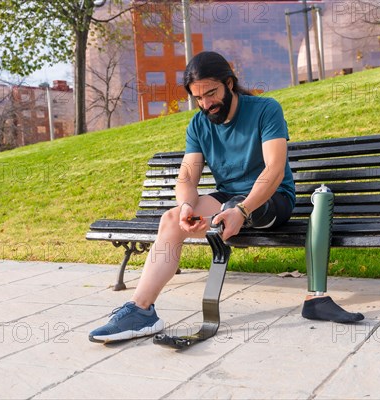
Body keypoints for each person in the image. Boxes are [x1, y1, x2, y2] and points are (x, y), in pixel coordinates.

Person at [89, 51, 362, 344]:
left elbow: (274, 168)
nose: (207, 104)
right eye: (199, 99)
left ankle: (232, 212)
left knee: (232, 206)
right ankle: (141, 312)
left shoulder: (265, 110)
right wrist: (185, 208)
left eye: (211, 93)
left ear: (229, 84)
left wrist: (241, 210)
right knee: (171, 220)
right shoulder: (198, 125)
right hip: (229, 197)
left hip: (272, 199)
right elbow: (187, 177)